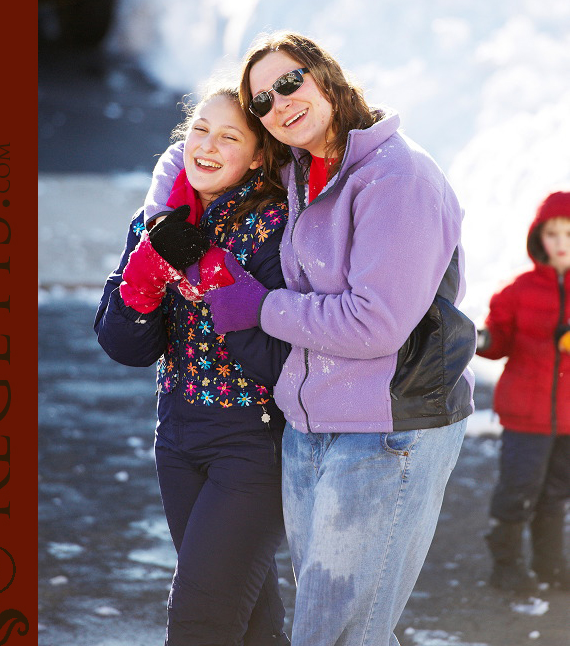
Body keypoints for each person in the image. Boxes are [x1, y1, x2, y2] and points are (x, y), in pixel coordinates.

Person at [144, 31, 476, 646]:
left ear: (326, 75)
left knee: (338, 631)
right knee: (338, 624)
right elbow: (184, 155)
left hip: (389, 426)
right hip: (310, 422)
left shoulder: (395, 177)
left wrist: (261, 305)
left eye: (290, 81)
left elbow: (374, 323)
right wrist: (169, 204)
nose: (280, 103)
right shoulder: (305, 170)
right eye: (263, 100)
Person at [95, 86, 293, 645]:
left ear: (258, 155)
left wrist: (211, 272)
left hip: (253, 446)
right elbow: (126, 347)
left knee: (200, 620)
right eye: (199, 129)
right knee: (249, 619)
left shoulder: (275, 228)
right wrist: (143, 276)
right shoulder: (160, 218)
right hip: (176, 439)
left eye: (229, 137)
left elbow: (277, 361)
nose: (206, 146)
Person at [476, 190, 570, 593]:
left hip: (567, 419)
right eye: (553, 234)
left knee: (555, 495)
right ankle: (507, 565)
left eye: (569, 233)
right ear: (539, 239)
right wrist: (482, 339)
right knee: (518, 490)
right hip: (524, 416)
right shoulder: (517, 291)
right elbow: (497, 347)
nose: (561, 243)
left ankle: (550, 566)